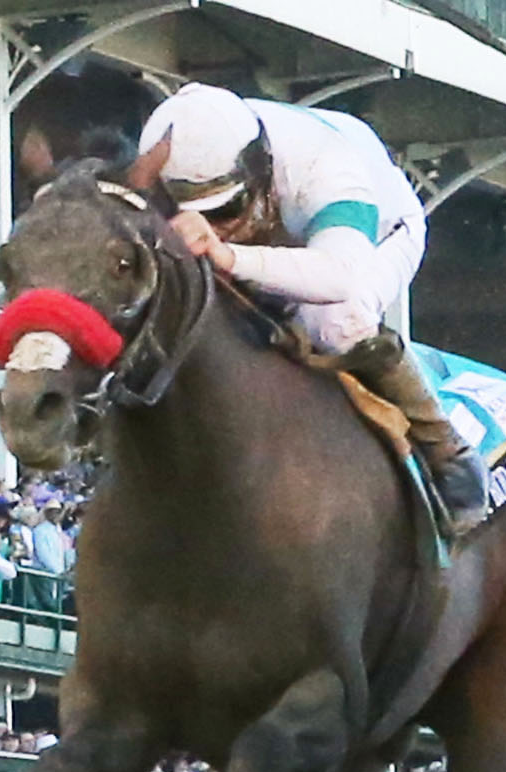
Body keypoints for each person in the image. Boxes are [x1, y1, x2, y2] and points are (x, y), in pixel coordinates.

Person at [136, 79, 486, 533]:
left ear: (258, 168)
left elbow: (340, 274)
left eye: (226, 211)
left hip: (377, 235)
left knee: (338, 322)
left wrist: (230, 256)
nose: (217, 228)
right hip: (282, 234)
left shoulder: (324, 163)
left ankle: (446, 450)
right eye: (199, 215)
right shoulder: (179, 151)